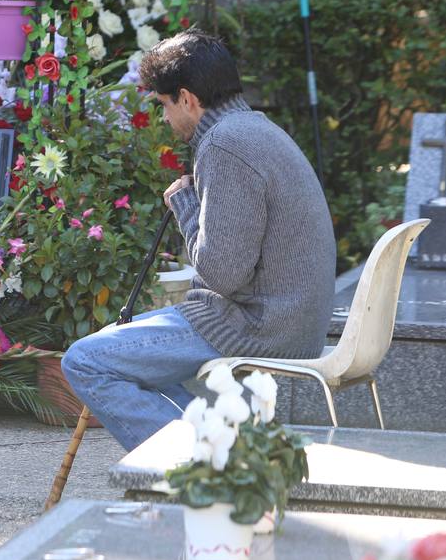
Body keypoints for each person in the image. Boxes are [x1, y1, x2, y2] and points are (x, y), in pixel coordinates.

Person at [61, 31, 335, 451]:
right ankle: (226, 452)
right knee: (120, 355)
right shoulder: (254, 130)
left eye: (164, 105)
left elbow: (221, 274)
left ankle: (204, 466)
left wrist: (185, 205)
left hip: (259, 327)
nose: (164, 119)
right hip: (282, 319)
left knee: (86, 360)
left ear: (187, 98)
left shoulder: (225, 144)